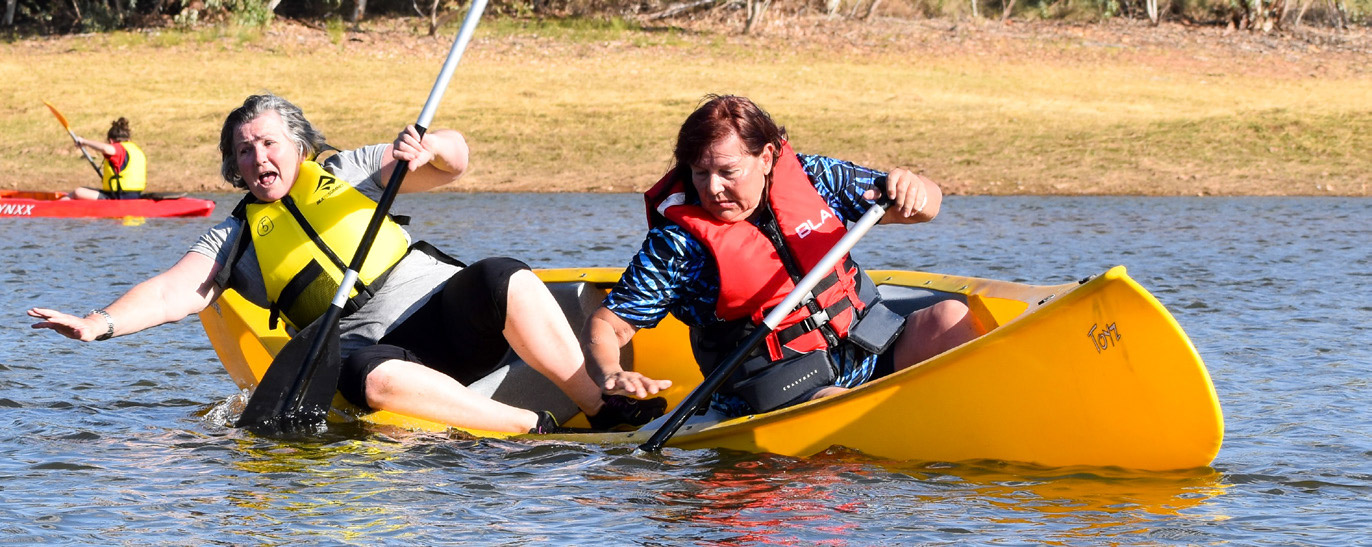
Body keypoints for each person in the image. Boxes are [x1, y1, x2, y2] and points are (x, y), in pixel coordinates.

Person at [30, 93, 662, 434]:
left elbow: (457, 161)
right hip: (383, 357)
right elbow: (172, 293)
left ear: (298, 146)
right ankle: (532, 429)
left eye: (268, 143)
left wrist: (431, 147)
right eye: (243, 152)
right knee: (369, 378)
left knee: (502, 272)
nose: (258, 159)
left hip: (449, 316)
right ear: (234, 168)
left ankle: (599, 406)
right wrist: (99, 324)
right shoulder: (236, 238)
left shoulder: (349, 172)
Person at [582, 94, 985, 418]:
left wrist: (916, 187)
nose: (713, 188)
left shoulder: (815, 178)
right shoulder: (680, 245)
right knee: (833, 406)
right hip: (785, 390)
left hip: (870, 345)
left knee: (950, 317)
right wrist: (610, 373)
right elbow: (609, 324)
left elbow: (924, 207)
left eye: (728, 171)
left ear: (768, 156)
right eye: (700, 174)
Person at [67, 117, 146, 200]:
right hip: (134, 195)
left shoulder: (119, 148)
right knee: (82, 190)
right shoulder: (136, 150)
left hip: (119, 197)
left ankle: (54, 208)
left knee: (78, 192)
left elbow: (106, 149)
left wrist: (84, 141)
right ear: (129, 139)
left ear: (111, 141)